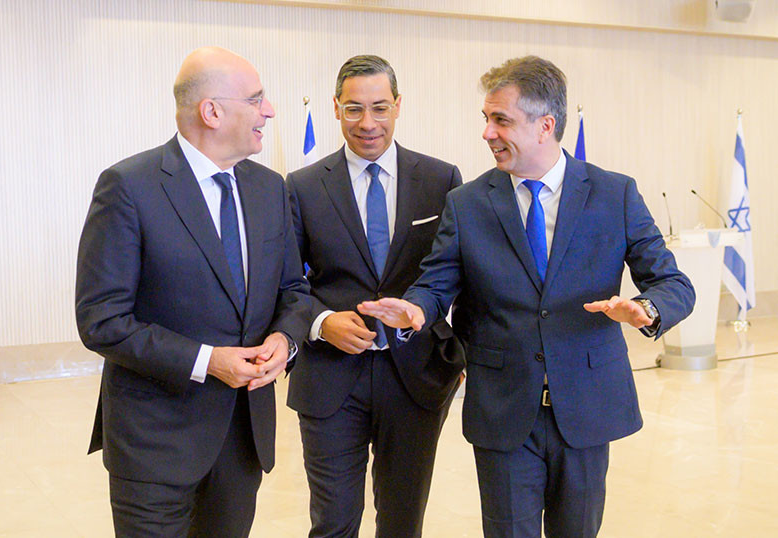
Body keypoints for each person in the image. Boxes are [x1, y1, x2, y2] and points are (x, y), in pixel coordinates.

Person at [359, 55, 695, 537]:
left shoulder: (614, 194)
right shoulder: (467, 203)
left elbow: (674, 283)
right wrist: (414, 308)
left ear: (545, 125)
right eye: (486, 118)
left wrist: (645, 307)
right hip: (502, 409)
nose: (487, 133)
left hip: (586, 408)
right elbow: (436, 282)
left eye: (501, 120)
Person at [75, 47, 311, 537]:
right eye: (257, 99)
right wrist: (208, 361)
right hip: (154, 444)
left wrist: (284, 341)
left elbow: (293, 290)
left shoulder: (270, 188)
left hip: (242, 440)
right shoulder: (129, 187)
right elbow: (101, 319)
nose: (269, 111)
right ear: (212, 111)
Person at [286, 54, 465, 538]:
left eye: (380, 107)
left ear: (398, 105)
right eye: (354, 109)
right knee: (333, 523)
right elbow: (286, 283)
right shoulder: (302, 187)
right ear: (336, 108)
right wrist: (322, 322)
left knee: (403, 522)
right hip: (330, 377)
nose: (368, 123)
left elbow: (456, 271)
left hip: (415, 376)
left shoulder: (442, 180)